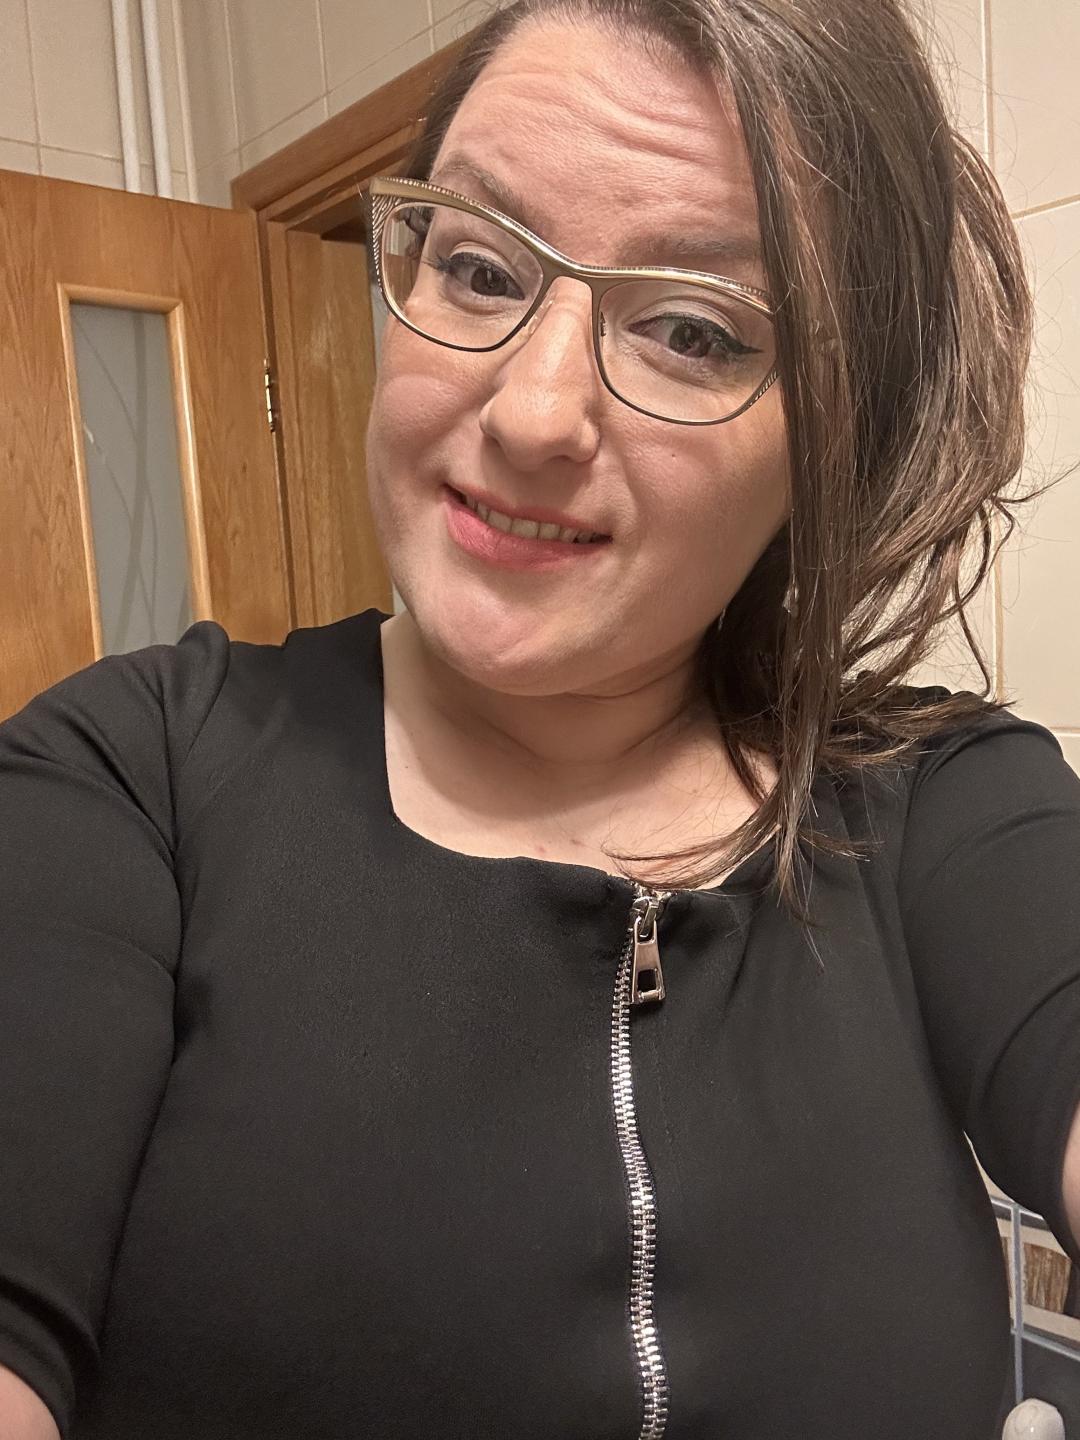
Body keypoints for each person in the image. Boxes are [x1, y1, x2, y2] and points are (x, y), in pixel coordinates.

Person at [2, 0, 1079, 1436]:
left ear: (834, 439)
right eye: (479, 266)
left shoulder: (946, 805)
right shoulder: (126, 782)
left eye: (692, 331)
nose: (531, 411)